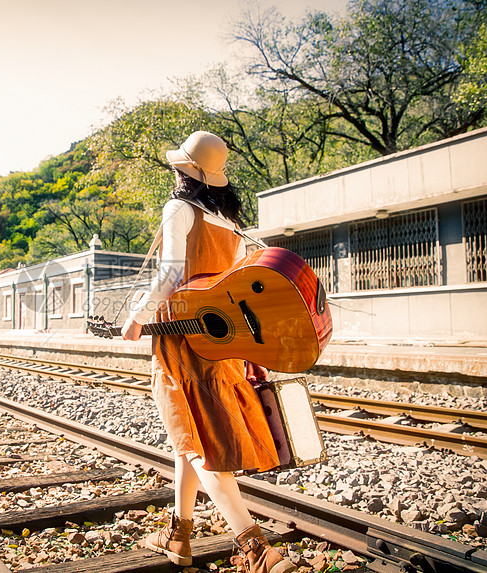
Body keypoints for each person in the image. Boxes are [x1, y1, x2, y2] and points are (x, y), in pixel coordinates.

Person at [121, 131, 295, 573]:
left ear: (190, 172)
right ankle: (178, 534)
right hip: (222, 340)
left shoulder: (178, 209)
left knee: (200, 443)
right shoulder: (232, 226)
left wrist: (138, 316)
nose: (175, 169)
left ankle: (257, 549)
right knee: (190, 437)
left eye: (181, 164)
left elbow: (172, 274)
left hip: (181, 339)